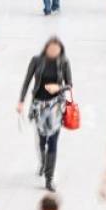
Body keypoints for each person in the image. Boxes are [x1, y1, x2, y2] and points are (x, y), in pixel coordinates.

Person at [17, 37, 73, 191]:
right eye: (51, 48)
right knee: (41, 139)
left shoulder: (64, 62)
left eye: (57, 49)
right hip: (39, 106)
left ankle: (49, 178)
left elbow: (69, 85)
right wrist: (21, 101)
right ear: (46, 48)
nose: (54, 52)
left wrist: (58, 88)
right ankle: (43, 162)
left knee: (53, 142)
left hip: (55, 106)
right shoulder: (36, 60)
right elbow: (27, 81)